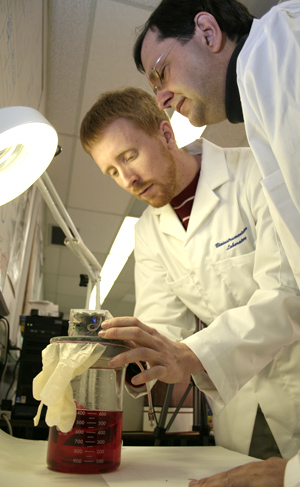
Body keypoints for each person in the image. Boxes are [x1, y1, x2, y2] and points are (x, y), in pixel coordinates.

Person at [80, 86, 300, 463]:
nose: (127, 179)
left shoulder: (255, 174)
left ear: (166, 134)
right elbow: (162, 326)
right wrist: (126, 359)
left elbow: (287, 295)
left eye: (129, 156)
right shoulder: (147, 231)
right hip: (238, 404)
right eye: (112, 171)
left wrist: (189, 354)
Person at [132, 0, 300, 292]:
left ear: (207, 33)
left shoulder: (282, 38)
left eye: (160, 75)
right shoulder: (259, 100)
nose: (161, 101)